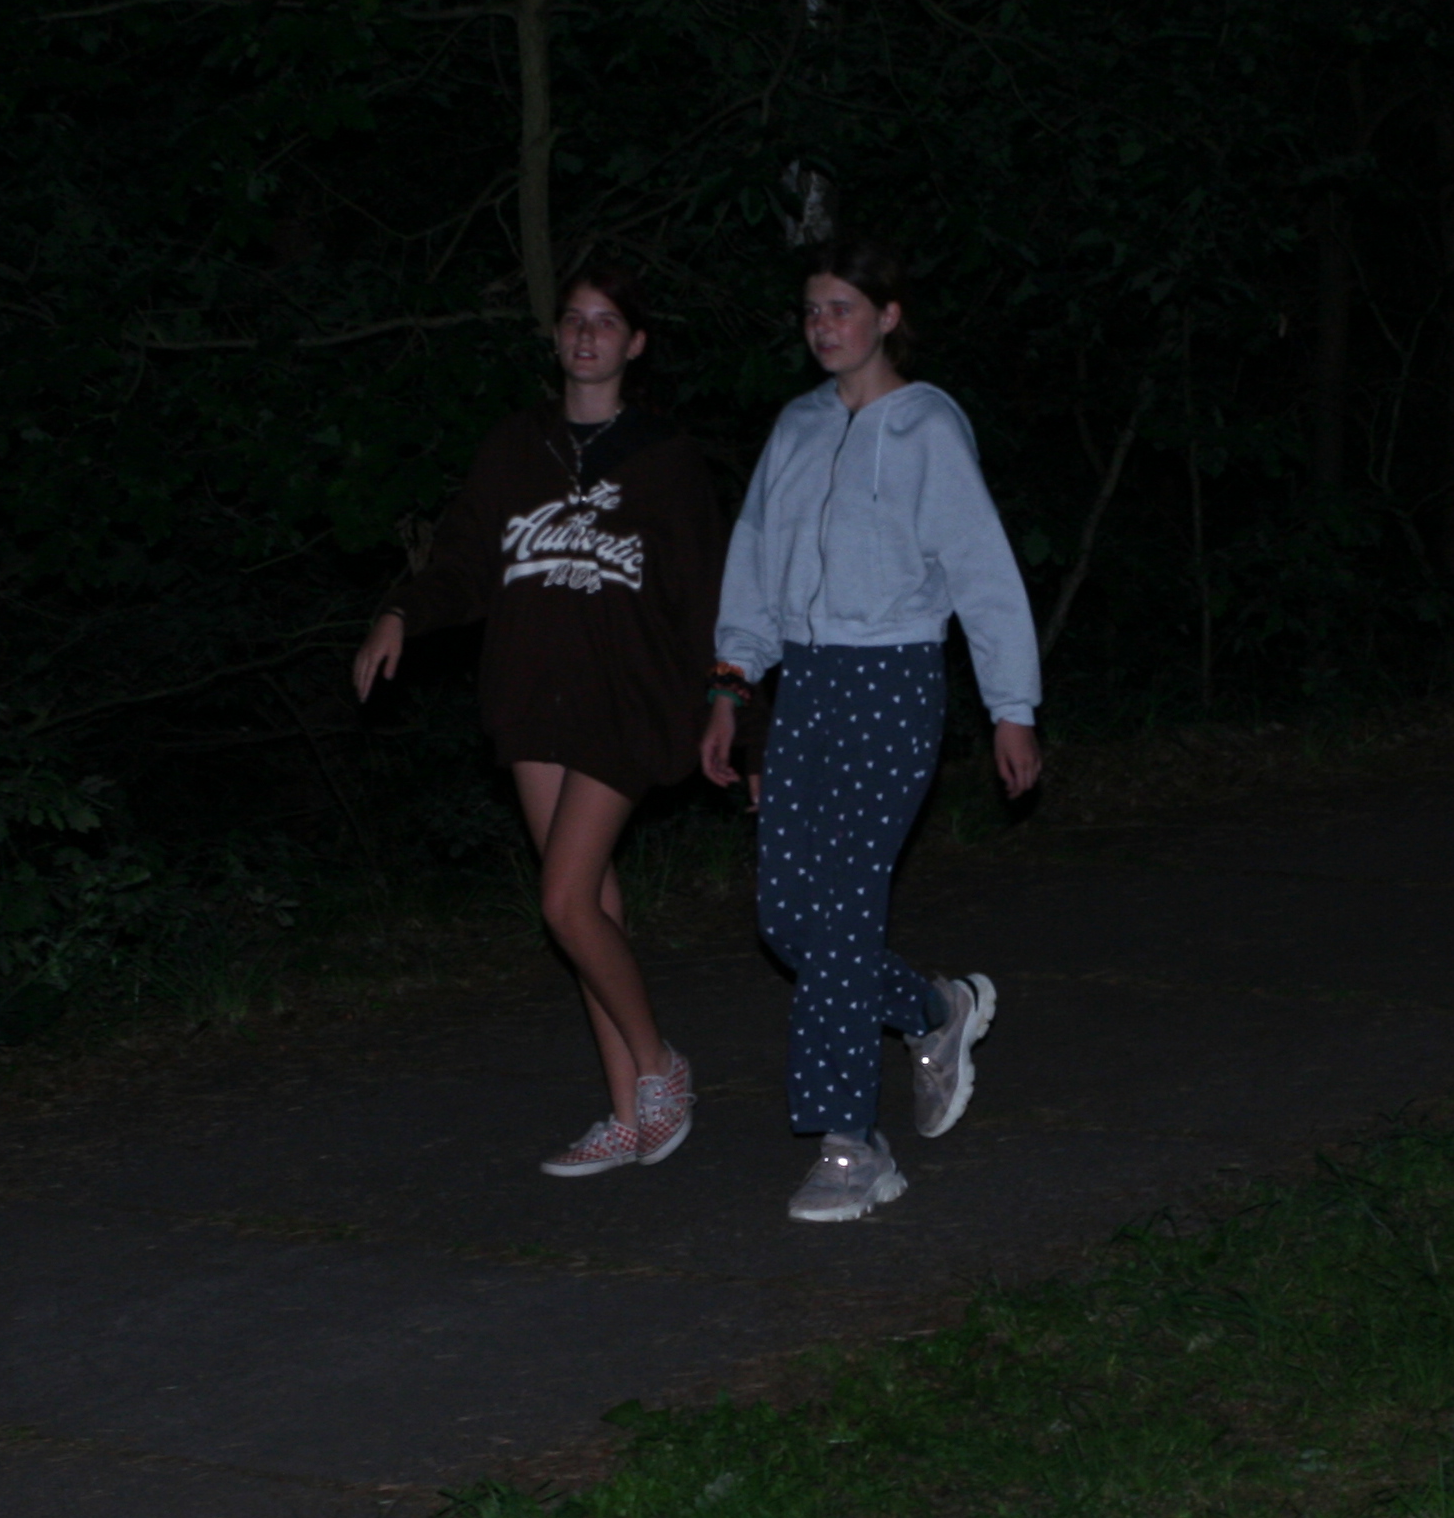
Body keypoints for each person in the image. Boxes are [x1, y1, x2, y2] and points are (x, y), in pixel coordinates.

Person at [701, 237, 1043, 1224]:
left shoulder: (927, 426)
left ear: (888, 317)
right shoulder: (797, 427)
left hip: (893, 681)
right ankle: (936, 1010)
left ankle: (852, 1145)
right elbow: (754, 560)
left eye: (842, 307)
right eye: (812, 310)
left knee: (846, 914)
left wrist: (1012, 707)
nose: (823, 326)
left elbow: (983, 572)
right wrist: (731, 687)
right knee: (789, 921)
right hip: (804, 688)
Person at [354, 258, 721, 1176]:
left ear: (635, 344)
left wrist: (732, 707)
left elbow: (707, 595)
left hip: (623, 700)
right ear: (556, 336)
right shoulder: (514, 448)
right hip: (530, 696)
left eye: (606, 321)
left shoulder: (666, 459)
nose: (586, 334)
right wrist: (401, 612)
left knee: (561, 900)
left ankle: (659, 1065)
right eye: (573, 319)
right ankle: (626, 1113)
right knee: (591, 901)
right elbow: (464, 561)